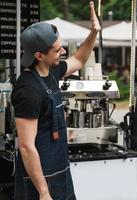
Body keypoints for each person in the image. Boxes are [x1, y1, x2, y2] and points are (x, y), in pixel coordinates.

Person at [11, 1, 100, 200]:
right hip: (39, 180)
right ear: (39, 55)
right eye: (57, 50)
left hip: (60, 170)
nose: (63, 52)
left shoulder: (52, 71)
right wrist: (43, 192)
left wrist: (94, 32)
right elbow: (26, 146)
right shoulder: (27, 90)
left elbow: (79, 60)